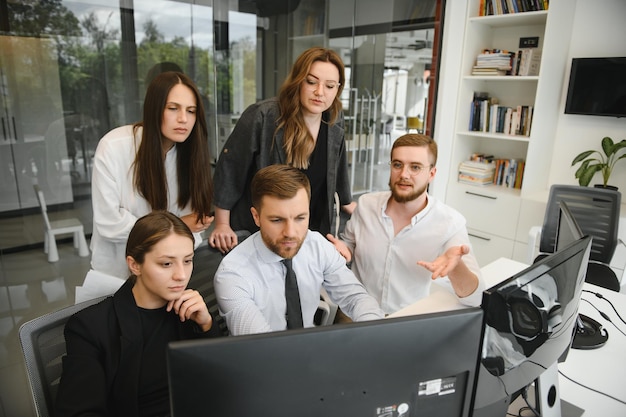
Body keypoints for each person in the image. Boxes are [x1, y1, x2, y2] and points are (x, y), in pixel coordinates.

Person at [55, 211, 221, 417]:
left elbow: (218, 382)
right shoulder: (88, 327)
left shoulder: (190, 311)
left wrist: (206, 326)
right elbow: (79, 412)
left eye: (187, 261)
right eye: (166, 264)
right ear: (135, 265)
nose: (181, 275)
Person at [209, 47, 355, 254]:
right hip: (262, 231)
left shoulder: (333, 119)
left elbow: (338, 170)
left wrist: (352, 204)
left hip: (309, 230)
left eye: (330, 86)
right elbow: (230, 169)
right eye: (311, 82)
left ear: (338, 89)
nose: (320, 92)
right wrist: (222, 224)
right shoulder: (263, 116)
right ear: (298, 80)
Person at [214, 165, 384, 335]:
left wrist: (376, 332)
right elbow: (260, 343)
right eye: (277, 220)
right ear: (256, 216)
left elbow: (355, 297)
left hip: (309, 349)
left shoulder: (316, 245)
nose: (290, 233)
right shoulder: (232, 273)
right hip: (262, 357)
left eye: (300, 218)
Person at [327, 134, 486, 315]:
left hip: (405, 322)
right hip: (354, 313)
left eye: (415, 167)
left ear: (431, 174)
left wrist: (456, 267)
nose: (404, 174)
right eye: (397, 165)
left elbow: (475, 298)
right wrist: (345, 249)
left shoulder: (450, 223)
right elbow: (350, 244)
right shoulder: (366, 205)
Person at [90, 71, 214, 278]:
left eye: (191, 111)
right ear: (154, 109)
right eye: (173, 108)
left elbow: (193, 228)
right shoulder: (113, 146)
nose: (183, 119)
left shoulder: (190, 154)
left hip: (167, 273)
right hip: (117, 270)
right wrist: (178, 224)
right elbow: (109, 223)